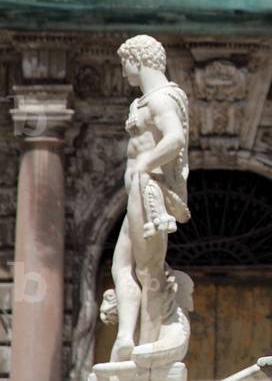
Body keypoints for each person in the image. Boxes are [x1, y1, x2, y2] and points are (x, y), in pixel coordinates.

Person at [109, 35, 190, 361]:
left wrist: (144, 165)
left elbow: (175, 138)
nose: (123, 72)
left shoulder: (162, 100)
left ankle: (147, 344)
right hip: (137, 194)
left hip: (149, 189)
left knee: (149, 270)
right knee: (121, 267)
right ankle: (126, 337)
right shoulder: (144, 102)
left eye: (124, 64)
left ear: (137, 59)